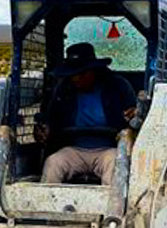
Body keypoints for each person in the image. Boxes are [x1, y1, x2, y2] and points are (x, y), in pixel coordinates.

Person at [36, 42, 137, 184]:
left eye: (82, 73)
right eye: (73, 74)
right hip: (74, 149)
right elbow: (52, 118)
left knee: (116, 166)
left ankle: (113, 205)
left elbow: (134, 116)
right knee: (53, 163)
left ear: (93, 70)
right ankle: (46, 204)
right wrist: (45, 129)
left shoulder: (118, 86)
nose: (76, 79)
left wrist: (132, 115)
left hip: (109, 149)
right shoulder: (63, 90)